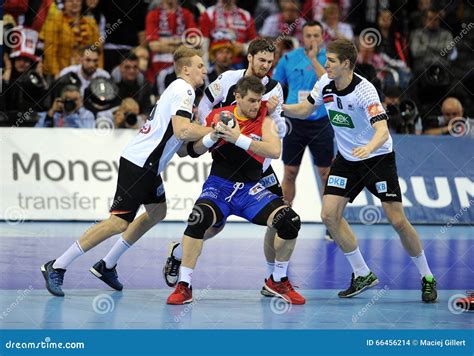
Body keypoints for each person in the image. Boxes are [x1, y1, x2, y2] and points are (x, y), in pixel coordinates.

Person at [40, 46, 210, 297]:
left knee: (157, 212)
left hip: (149, 166)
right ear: (185, 69)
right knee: (118, 221)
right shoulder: (184, 89)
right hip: (140, 163)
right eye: (199, 65)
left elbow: (184, 149)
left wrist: (213, 137)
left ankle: (107, 264)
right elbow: (182, 131)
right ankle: (57, 265)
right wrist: (213, 129)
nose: (204, 70)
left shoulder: (179, 91)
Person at [283, 39, 438, 303]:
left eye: (330, 60)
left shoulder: (365, 91)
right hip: (346, 159)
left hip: (377, 158)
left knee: (398, 221)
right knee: (329, 215)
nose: (326, 65)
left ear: (346, 63)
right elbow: (306, 109)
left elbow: (382, 131)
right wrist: (280, 108)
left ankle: (427, 277)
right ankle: (362, 273)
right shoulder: (324, 85)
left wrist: (368, 148)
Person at [163, 38, 287, 296]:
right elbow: (206, 103)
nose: (265, 65)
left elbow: (277, 129)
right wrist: (210, 130)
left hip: (258, 163)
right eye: (261, 59)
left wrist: (270, 120)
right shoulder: (229, 78)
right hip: (226, 152)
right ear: (250, 57)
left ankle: (272, 278)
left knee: (282, 219)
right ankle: (180, 253)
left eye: (269, 61)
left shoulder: (274, 90)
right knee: (214, 224)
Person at [272, 21, 334, 240]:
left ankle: (331, 222)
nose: (312, 40)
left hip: (321, 121)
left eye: (316, 35)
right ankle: (284, 218)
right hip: (294, 122)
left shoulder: (330, 59)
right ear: (302, 36)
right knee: (289, 172)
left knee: (326, 174)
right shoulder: (289, 58)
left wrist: (313, 58)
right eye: (308, 36)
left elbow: (327, 82)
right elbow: (275, 86)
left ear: (323, 36)